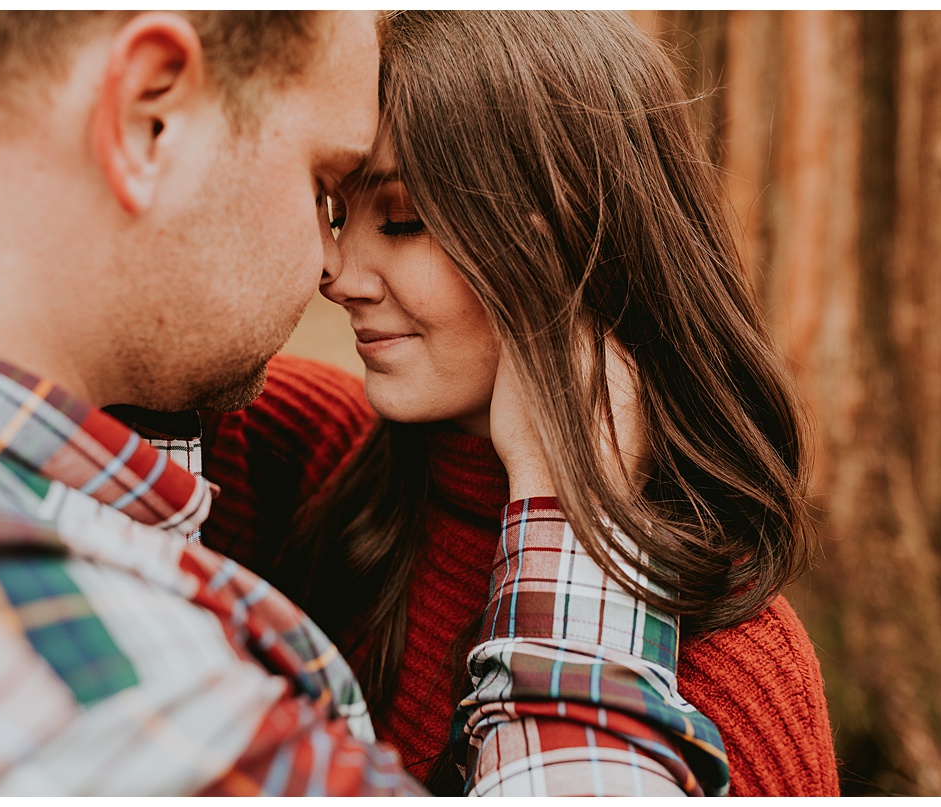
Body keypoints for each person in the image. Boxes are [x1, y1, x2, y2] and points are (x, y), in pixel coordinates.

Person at [0, 10, 728, 797]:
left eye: (395, 218)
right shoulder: (98, 690)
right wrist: (581, 540)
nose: (328, 266)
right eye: (325, 187)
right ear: (148, 117)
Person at [195, 10, 840, 797]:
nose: (336, 273)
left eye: (401, 221)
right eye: (337, 211)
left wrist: (563, 497)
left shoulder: (736, 673)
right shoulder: (316, 454)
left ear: (565, 247)